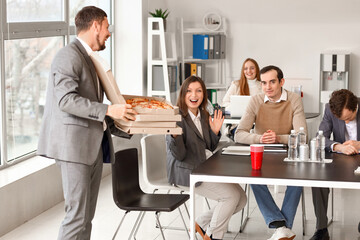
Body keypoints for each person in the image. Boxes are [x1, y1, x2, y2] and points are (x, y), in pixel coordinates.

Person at [37, 6, 136, 240]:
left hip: (92, 148)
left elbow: (91, 102)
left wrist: (123, 120)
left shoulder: (89, 58)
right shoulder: (68, 55)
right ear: (95, 26)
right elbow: (65, 100)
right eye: (107, 27)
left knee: (86, 218)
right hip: (74, 149)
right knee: (76, 217)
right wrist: (109, 109)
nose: (109, 33)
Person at [166, 76, 247, 240]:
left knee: (242, 199)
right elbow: (180, 155)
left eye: (198, 91)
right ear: (183, 94)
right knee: (231, 197)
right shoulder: (176, 117)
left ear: (204, 94)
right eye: (189, 91)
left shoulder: (203, 115)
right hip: (187, 171)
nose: (193, 95)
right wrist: (174, 137)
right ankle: (213, 236)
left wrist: (215, 132)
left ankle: (200, 223)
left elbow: (207, 147)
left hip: (204, 167)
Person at [235, 65, 307, 240]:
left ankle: (280, 227)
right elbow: (239, 133)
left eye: (272, 82)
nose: (268, 87)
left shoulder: (294, 100)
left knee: (299, 177)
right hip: (263, 152)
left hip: (288, 152)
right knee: (252, 175)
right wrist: (259, 138)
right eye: (264, 83)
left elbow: (303, 136)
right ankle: (282, 227)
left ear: (281, 82)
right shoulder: (256, 100)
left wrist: (279, 138)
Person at [310, 89, 360, 240]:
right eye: (341, 119)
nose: (345, 122)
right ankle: (321, 228)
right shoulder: (329, 109)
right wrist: (339, 146)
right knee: (317, 179)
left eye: (348, 118)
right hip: (341, 158)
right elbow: (320, 138)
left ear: (355, 107)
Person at [221, 58, 262, 139]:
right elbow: (224, 103)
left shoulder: (263, 85)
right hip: (239, 125)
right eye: (246, 68)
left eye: (252, 68)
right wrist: (236, 108)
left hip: (258, 125)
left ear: (257, 70)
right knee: (246, 135)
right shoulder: (236, 85)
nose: (249, 71)